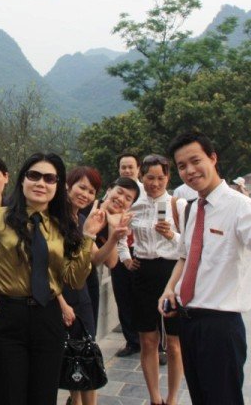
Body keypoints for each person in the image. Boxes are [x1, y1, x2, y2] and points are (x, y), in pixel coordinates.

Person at [159, 133, 251, 405]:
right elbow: (185, 257)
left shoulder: (241, 207)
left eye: (196, 161)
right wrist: (169, 289)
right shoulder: (192, 209)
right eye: (182, 166)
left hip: (221, 328)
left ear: (213, 158)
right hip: (188, 322)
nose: (190, 171)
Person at [0, 153, 94, 405]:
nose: (41, 183)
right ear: (22, 180)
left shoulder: (62, 225)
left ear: (58, 186)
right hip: (6, 317)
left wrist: (88, 237)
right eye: (34, 175)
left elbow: (74, 279)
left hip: (48, 317)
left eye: (49, 178)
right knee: (9, 396)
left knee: (44, 396)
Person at [59, 168, 136, 405]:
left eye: (90, 191)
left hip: (83, 291)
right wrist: (61, 302)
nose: (85, 194)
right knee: (74, 357)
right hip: (63, 295)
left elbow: (102, 260)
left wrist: (114, 234)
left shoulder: (82, 219)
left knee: (86, 354)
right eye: (81, 187)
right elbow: (49, 267)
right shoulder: (57, 219)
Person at [118, 154, 183, 405]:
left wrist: (171, 236)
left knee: (174, 342)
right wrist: (126, 258)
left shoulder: (178, 205)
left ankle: (172, 398)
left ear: (168, 177)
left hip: (171, 274)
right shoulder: (134, 204)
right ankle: (155, 399)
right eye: (150, 178)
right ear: (141, 177)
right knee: (148, 340)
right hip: (142, 273)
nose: (155, 183)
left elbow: (189, 246)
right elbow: (121, 236)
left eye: (160, 178)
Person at [111, 152, 143, 357]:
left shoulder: (147, 192)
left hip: (141, 251)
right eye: (123, 167)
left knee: (144, 298)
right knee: (123, 296)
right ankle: (132, 341)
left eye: (130, 167)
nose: (127, 170)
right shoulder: (113, 193)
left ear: (138, 169)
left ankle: (157, 343)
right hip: (119, 249)